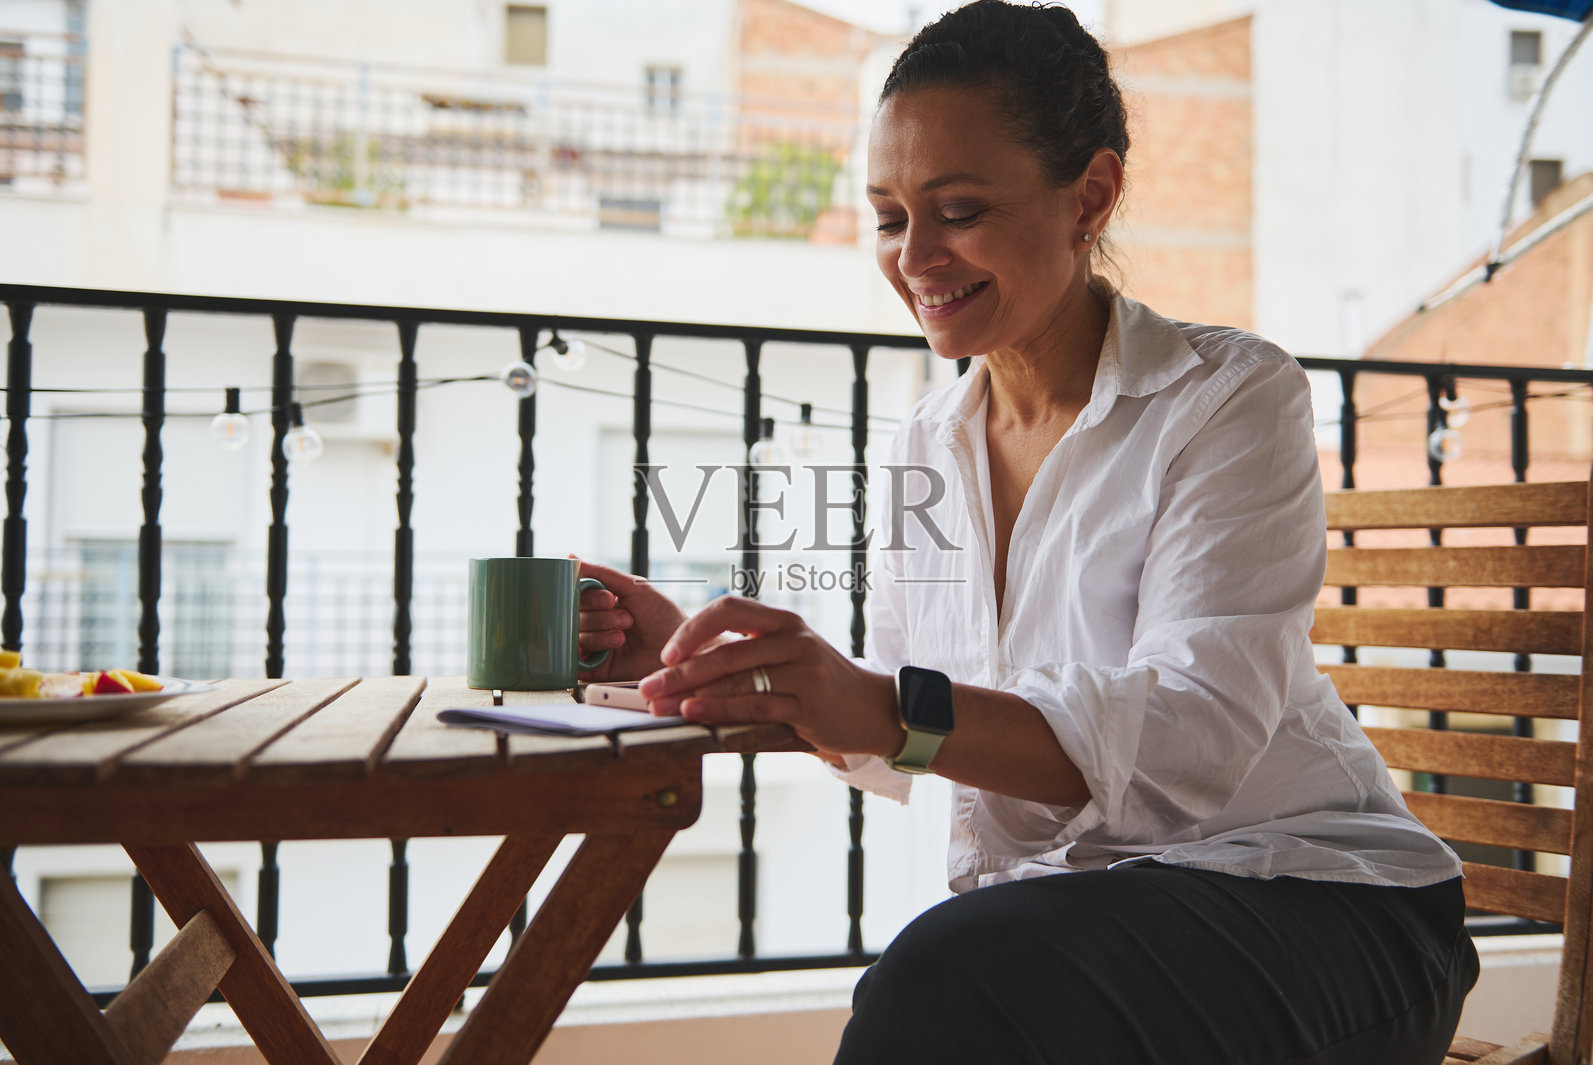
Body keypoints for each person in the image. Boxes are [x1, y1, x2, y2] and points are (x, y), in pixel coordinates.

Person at [575, 2, 1479, 1061]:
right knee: (966, 977)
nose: (915, 256)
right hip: (1084, 923)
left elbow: (1192, 735)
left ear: (1089, 197)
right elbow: (905, 720)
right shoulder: (927, 441)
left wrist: (874, 700)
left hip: (1323, 906)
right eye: (887, 216)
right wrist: (719, 669)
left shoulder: (1227, 397)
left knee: (948, 977)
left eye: (956, 209)